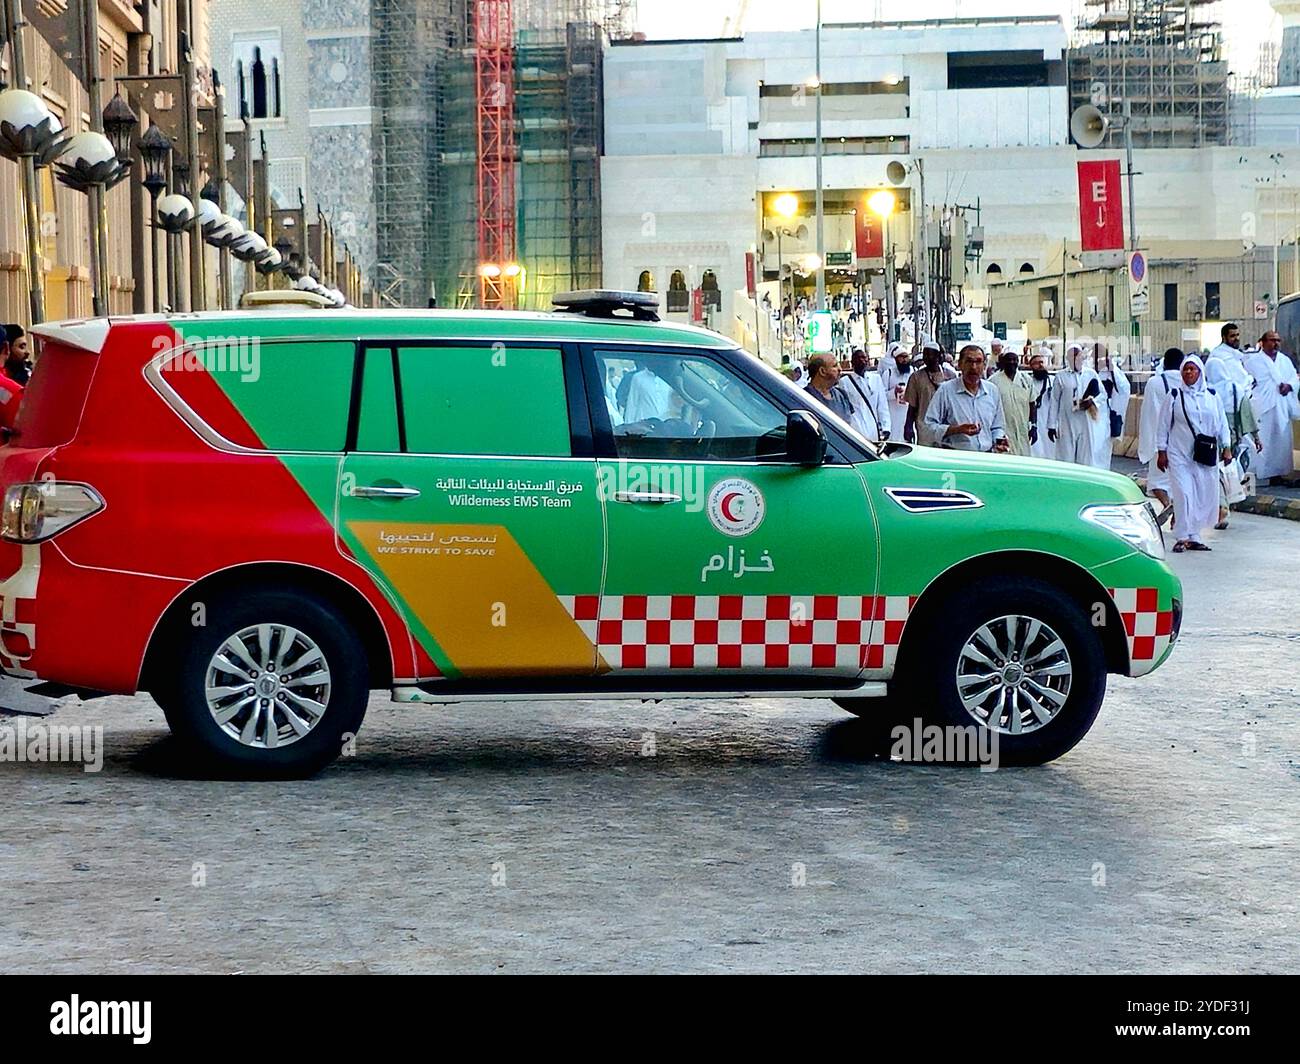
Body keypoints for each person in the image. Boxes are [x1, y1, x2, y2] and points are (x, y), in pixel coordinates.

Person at [1156, 353, 1232, 553]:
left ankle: (1195, 535)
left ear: (1200, 372)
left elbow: (1222, 423)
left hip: (1204, 455)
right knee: (1183, 494)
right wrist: (1161, 450)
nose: (1189, 372)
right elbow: (1163, 424)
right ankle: (1181, 536)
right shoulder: (1174, 395)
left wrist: (1227, 446)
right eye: (1186, 369)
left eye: (1193, 369)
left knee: (1201, 494)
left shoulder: (1212, 396)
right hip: (1178, 453)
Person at [924, 344, 1010, 453]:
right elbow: (929, 427)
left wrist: (999, 441)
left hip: (987, 457)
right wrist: (956, 430)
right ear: (960, 364)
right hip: (956, 457)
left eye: (978, 362)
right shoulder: (945, 391)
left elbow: (997, 426)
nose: (974, 367)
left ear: (984, 366)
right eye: (969, 361)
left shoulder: (992, 391)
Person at [1244, 330, 1298, 484]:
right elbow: (1247, 383)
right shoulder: (1253, 362)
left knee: (1281, 440)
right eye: (1272, 340)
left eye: (1278, 340)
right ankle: (1262, 474)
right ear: (1263, 342)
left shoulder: (1285, 360)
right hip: (1262, 407)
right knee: (1263, 440)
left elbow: (1294, 378)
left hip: (1281, 405)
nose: (1275, 344)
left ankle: (1279, 474)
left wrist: (1289, 386)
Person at [1138, 348, 1184, 519]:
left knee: (1157, 482)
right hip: (1181, 441)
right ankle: (1177, 511)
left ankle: (1167, 503)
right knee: (1179, 481)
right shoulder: (1186, 382)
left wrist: (1148, 442)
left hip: (1161, 441)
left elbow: (1148, 413)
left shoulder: (1154, 382)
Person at [1048, 343, 1107, 467]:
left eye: (1078, 355)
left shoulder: (1091, 374)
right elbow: (1054, 400)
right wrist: (1052, 425)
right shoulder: (1061, 376)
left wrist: (1092, 402)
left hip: (1086, 421)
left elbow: (1102, 394)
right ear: (1068, 358)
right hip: (1067, 422)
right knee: (1066, 456)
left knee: (1085, 457)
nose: (1076, 359)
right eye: (1072, 356)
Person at [837, 347, 891, 443]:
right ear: (853, 362)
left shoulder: (876, 379)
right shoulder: (844, 382)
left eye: (865, 357)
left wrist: (886, 427)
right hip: (856, 428)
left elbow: (882, 405)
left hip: (873, 428)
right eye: (860, 358)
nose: (863, 360)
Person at [902, 342, 952, 445]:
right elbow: (912, 406)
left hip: (947, 428)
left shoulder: (950, 375)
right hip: (925, 428)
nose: (926, 357)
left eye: (930, 354)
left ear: (938, 356)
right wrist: (908, 426)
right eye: (925, 354)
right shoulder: (916, 377)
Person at [1093, 343, 1131, 470]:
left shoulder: (1113, 371)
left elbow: (1124, 389)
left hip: (1104, 414)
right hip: (1088, 413)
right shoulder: (1088, 369)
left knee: (1103, 448)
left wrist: (1111, 369)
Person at [988, 346, 1031, 455]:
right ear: (1002, 362)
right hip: (1002, 429)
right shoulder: (993, 381)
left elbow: (1032, 402)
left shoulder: (1025, 380)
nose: (1012, 362)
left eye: (1014, 360)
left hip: (1022, 428)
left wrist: (1033, 425)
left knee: (1023, 457)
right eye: (1009, 360)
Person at [803, 352, 855, 421]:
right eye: (834, 366)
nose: (840, 369)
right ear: (822, 371)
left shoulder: (842, 395)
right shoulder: (804, 398)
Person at [878, 342, 913, 441]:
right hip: (893, 414)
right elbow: (882, 396)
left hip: (908, 412)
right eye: (901, 357)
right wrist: (894, 392)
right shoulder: (888, 374)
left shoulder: (913, 372)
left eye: (906, 357)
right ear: (896, 359)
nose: (904, 360)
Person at [1025, 350, 1054, 458]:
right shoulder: (1027, 381)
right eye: (1037, 363)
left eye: (1042, 362)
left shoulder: (1053, 380)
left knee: (1051, 450)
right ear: (1031, 366)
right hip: (1034, 421)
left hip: (1049, 420)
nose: (1040, 365)